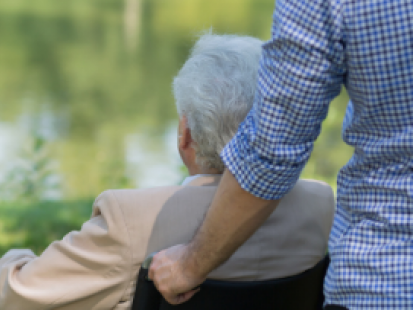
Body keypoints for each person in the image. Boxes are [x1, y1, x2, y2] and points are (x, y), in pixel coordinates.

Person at [0, 33, 335, 310]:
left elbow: (18, 295)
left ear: (185, 134)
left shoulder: (131, 218)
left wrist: (12, 260)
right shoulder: (320, 204)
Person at [148, 1, 413, 309]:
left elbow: (273, 153)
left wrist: (189, 266)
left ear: (185, 134)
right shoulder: (319, 204)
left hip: (387, 278)